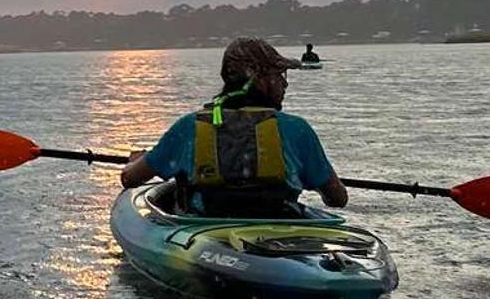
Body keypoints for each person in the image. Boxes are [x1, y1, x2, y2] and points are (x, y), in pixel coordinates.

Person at [118, 38, 347, 217]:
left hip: (206, 229)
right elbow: (337, 198)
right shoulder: (297, 129)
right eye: (279, 75)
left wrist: (134, 161)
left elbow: (130, 179)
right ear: (256, 78)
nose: (285, 83)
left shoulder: (189, 127)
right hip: (278, 229)